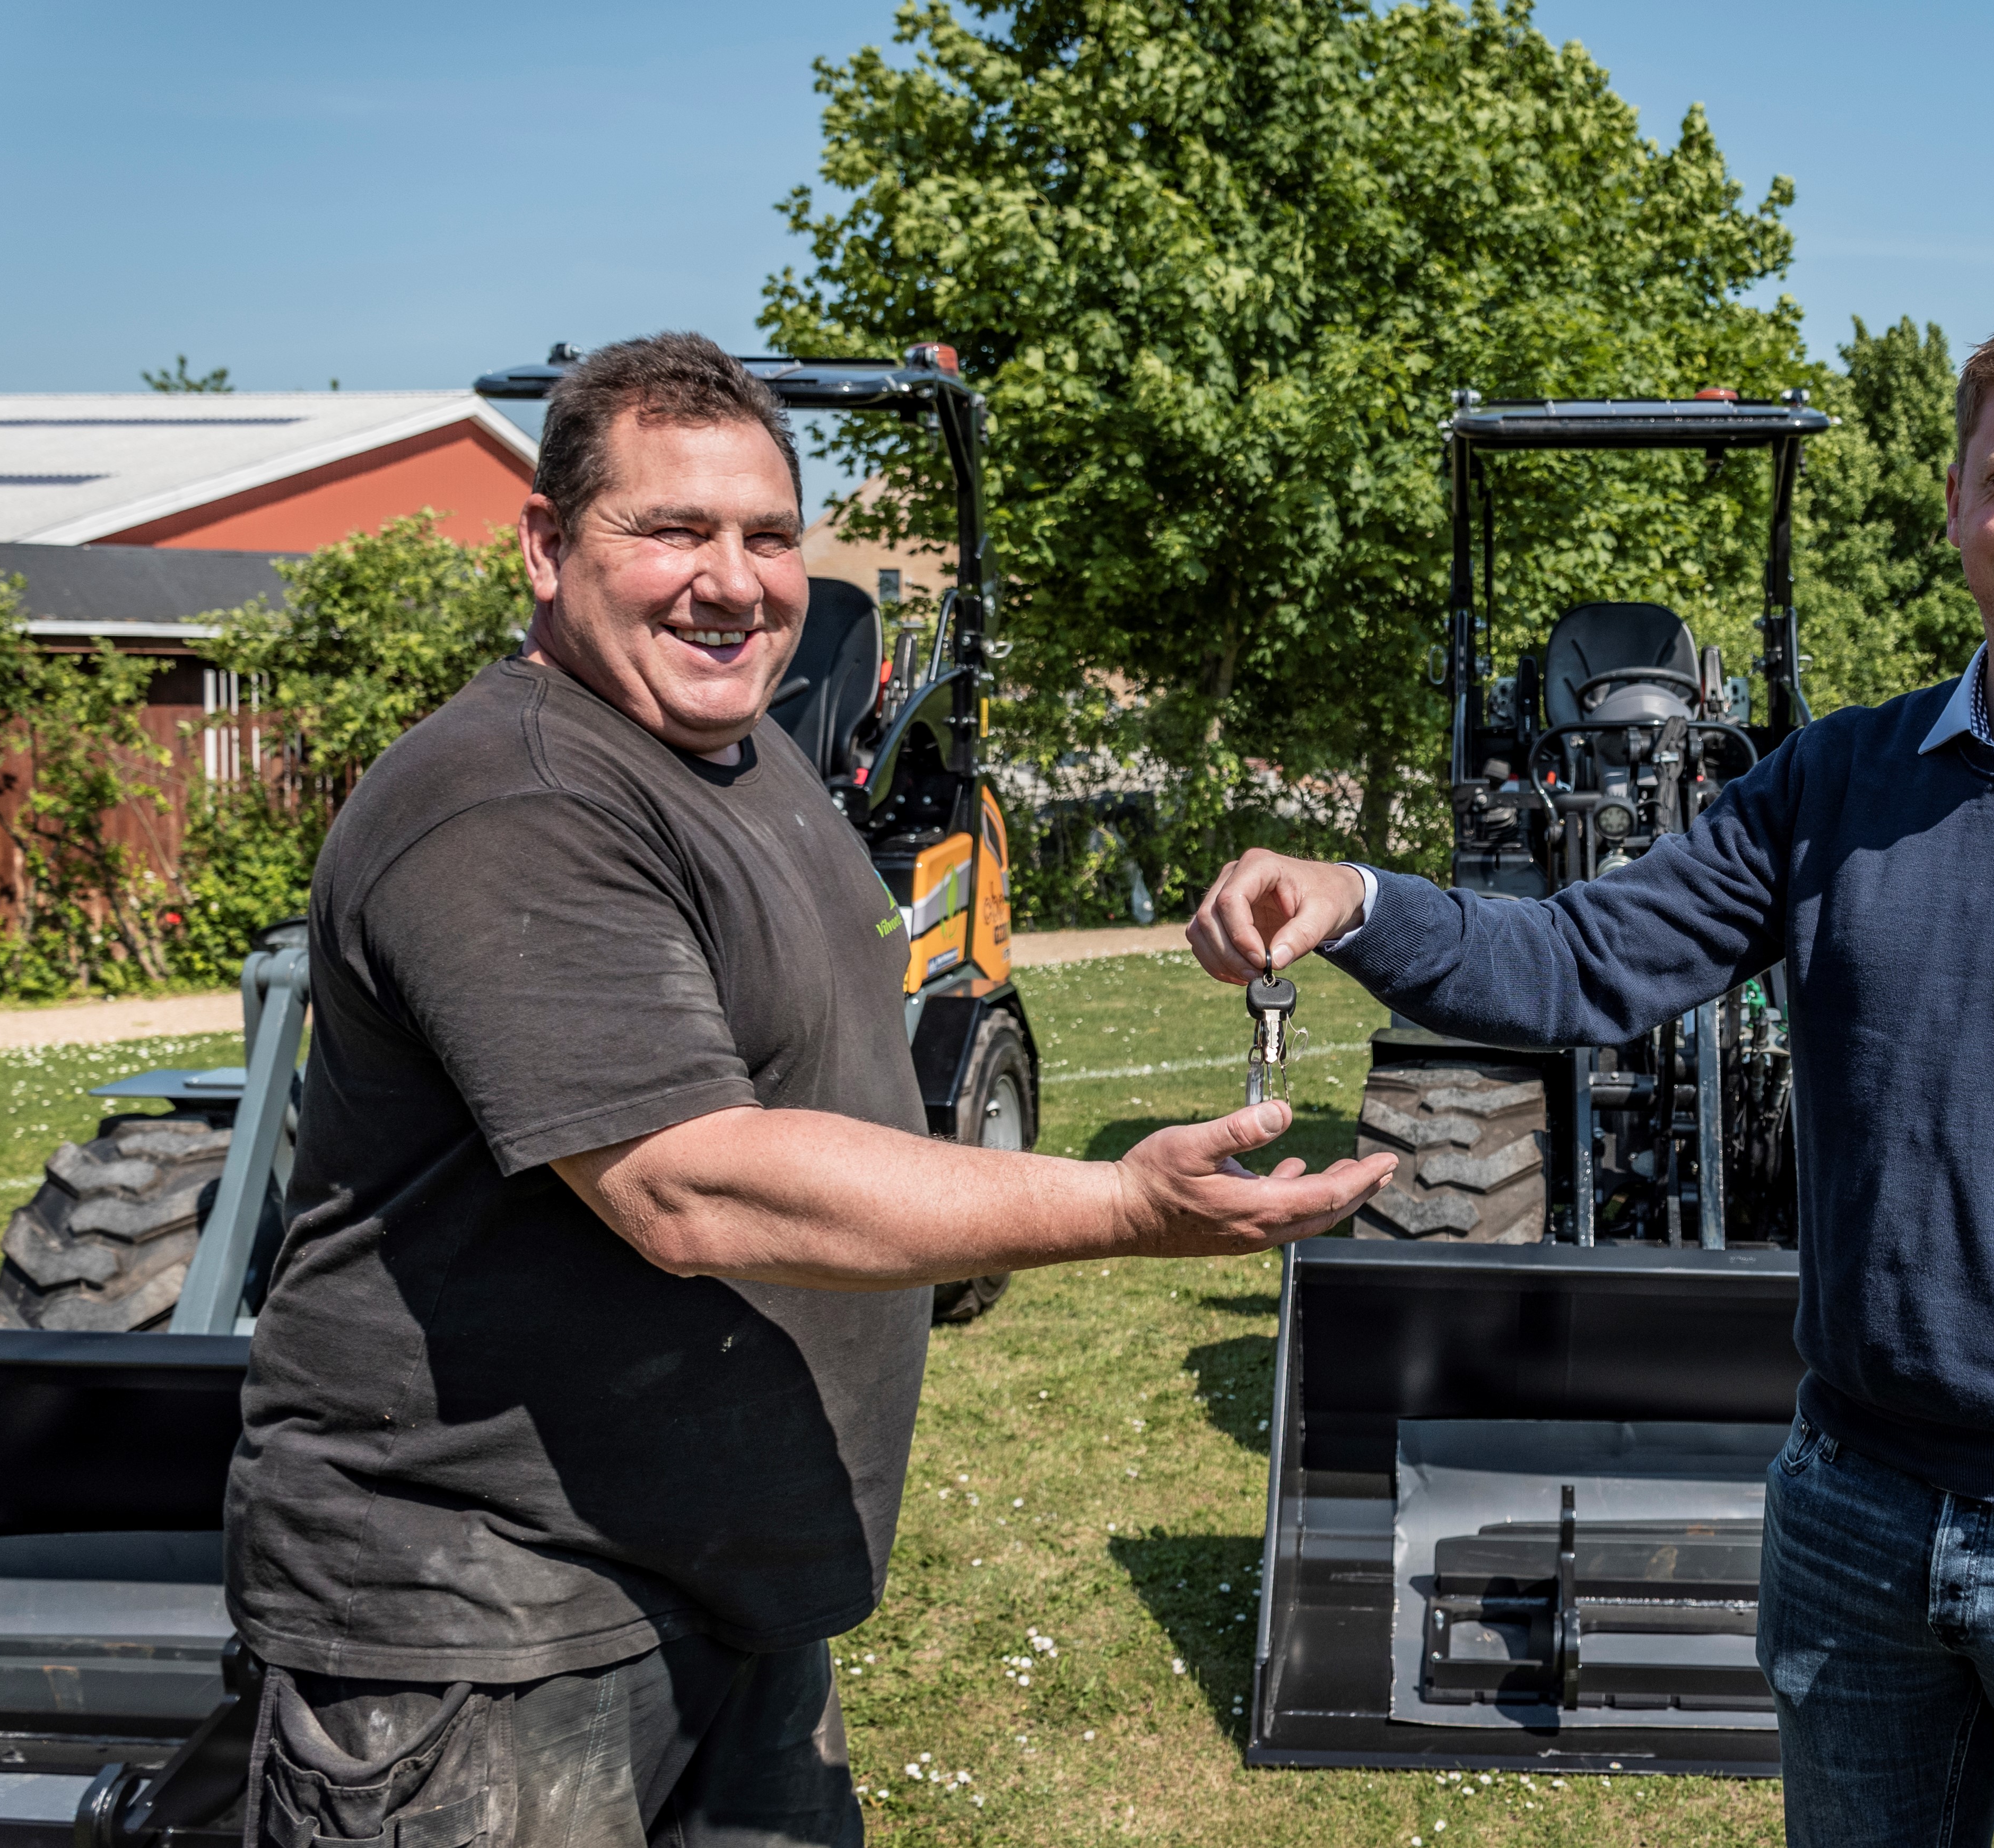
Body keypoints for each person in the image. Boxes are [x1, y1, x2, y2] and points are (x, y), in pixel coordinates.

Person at [1187, 307, 1994, 1848]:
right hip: (1859, 1518)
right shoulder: (1839, 783)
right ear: (1956, 501)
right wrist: (1359, 899)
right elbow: (1582, 962)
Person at [224, 332, 1395, 1848]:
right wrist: (1121, 1202)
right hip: (488, 1633)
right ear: (543, 543)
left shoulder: (742, 753)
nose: (734, 580)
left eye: (769, 535)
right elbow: (690, 1183)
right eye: (671, 530)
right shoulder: (516, 794)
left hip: (725, 1587)